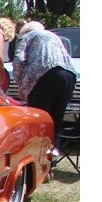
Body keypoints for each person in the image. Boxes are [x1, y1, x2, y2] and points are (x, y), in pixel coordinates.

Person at [13, 25, 76, 161]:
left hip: (44, 74)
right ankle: (51, 159)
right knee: (56, 120)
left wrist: (20, 86)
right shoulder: (54, 37)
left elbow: (18, 60)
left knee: (39, 120)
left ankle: (37, 158)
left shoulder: (28, 36)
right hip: (69, 75)